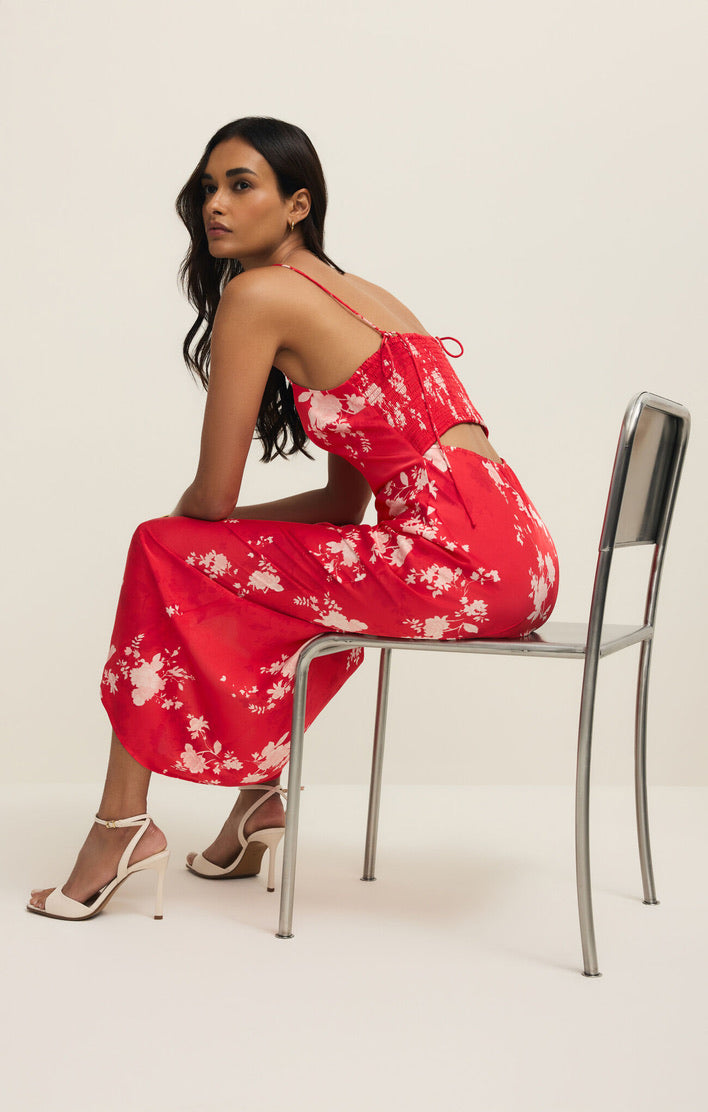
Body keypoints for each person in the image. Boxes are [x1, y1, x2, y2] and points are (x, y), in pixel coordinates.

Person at [28, 117, 559, 920]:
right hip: (519, 559)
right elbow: (343, 507)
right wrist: (226, 546)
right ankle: (257, 803)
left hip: (455, 563)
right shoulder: (365, 295)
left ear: (297, 204)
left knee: (158, 547)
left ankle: (119, 826)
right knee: (271, 564)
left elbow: (211, 497)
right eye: (208, 187)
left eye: (242, 186)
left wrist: (194, 541)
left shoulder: (259, 292)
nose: (216, 205)